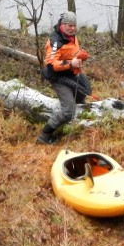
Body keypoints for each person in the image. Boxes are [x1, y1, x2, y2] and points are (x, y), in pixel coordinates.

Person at [37, 11, 92, 145]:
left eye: (74, 26)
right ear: (63, 25)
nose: (72, 28)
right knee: (68, 110)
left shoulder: (73, 36)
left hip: (71, 72)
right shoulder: (55, 41)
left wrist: (80, 57)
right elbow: (51, 64)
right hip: (57, 76)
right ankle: (45, 135)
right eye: (69, 26)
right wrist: (70, 64)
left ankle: (76, 116)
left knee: (84, 93)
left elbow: (74, 52)